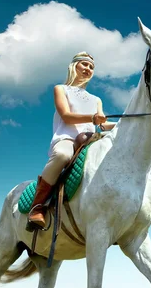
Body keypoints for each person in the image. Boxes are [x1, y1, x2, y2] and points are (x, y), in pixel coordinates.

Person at [28, 51, 116, 229]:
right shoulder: (61, 89)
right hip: (68, 138)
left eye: (91, 67)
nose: (88, 69)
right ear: (73, 66)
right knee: (61, 155)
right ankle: (37, 207)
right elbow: (66, 116)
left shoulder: (96, 99)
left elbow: (103, 125)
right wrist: (93, 118)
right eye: (84, 64)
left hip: (91, 140)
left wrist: (127, 122)